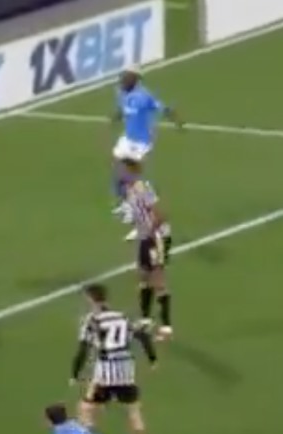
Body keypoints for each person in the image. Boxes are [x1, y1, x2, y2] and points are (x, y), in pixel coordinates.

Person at [71, 283, 158, 434]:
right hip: (126, 373)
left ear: (90, 299)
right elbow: (143, 336)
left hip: (105, 375)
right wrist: (152, 358)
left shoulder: (92, 320)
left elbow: (83, 349)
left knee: (86, 409)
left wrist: (75, 373)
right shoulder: (122, 317)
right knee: (134, 416)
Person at [111, 69, 182, 240]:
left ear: (133, 82)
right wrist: (115, 118)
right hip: (127, 139)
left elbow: (162, 108)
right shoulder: (121, 93)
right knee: (119, 172)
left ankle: (153, 223)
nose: (121, 83)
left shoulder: (144, 97)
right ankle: (131, 206)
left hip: (140, 143)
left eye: (124, 80)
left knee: (132, 182)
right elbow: (122, 109)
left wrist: (176, 120)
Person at [118, 158, 174, 340]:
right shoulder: (129, 191)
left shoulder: (142, 188)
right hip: (145, 237)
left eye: (124, 170)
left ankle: (166, 327)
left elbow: (160, 215)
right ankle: (145, 319)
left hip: (156, 236)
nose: (121, 173)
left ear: (132, 171)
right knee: (143, 276)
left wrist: (150, 233)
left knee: (157, 278)